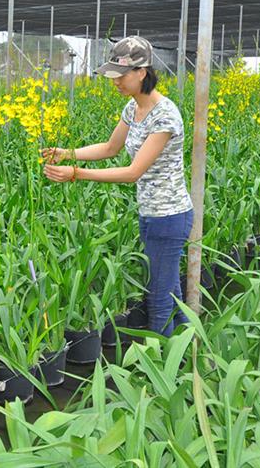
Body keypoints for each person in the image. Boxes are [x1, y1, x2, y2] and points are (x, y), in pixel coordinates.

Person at [42, 36, 193, 337]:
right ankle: (188, 356)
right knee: (171, 293)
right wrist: (67, 152)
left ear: (142, 72)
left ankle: (163, 374)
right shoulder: (132, 108)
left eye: (121, 75)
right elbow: (111, 147)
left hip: (169, 216)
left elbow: (133, 172)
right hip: (150, 213)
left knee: (160, 300)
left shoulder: (165, 116)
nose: (116, 81)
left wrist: (76, 173)